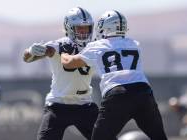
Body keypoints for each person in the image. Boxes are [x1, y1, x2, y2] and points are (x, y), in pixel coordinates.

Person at [61, 10, 168, 140]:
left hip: (117, 94)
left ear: (103, 27)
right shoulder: (134, 44)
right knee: (159, 137)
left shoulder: (97, 46)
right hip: (143, 92)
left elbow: (69, 64)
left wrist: (64, 54)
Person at [23, 7, 99, 140]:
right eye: (79, 28)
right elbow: (27, 58)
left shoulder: (94, 47)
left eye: (86, 28)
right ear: (69, 28)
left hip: (84, 104)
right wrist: (31, 51)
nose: (84, 32)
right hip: (58, 105)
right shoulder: (58, 45)